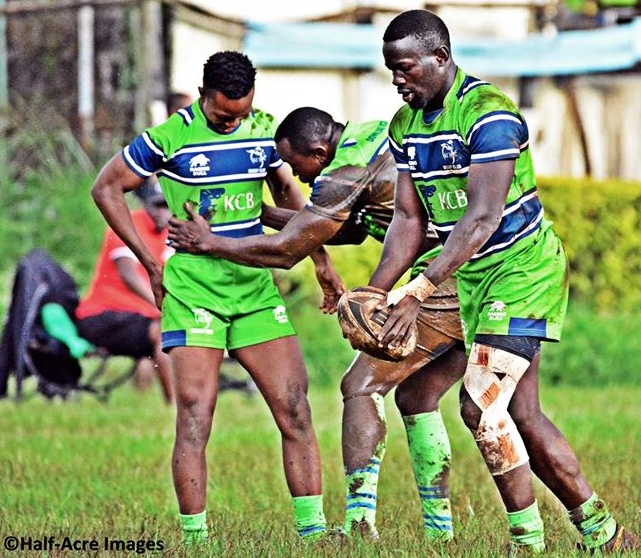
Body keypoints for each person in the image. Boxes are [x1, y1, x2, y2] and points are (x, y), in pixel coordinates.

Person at [367, 9, 635, 553]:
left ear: (440, 58)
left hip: (522, 269)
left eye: (407, 67)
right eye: (391, 69)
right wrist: (376, 291)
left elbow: (482, 217)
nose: (398, 79)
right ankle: (604, 535)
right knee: (522, 415)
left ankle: (527, 542)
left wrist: (417, 292)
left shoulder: (489, 115)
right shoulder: (403, 127)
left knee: (480, 404)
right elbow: (409, 221)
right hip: (472, 274)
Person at [167, 106, 466, 543]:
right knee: (423, 396)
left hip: (451, 274)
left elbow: (288, 251)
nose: (296, 176)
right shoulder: (369, 136)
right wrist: (261, 212)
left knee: (360, 386)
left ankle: (360, 527)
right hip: (483, 265)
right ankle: (446, 535)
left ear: (319, 151)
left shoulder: (341, 173)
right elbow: (344, 229)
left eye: (295, 165)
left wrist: (210, 242)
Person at [90, 51, 337, 545]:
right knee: (196, 415)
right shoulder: (169, 137)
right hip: (195, 290)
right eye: (225, 115)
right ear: (205, 96)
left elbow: (290, 200)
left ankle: (314, 535)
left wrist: (322, 261)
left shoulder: (265, 131)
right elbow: (107, 188)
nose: (235, 123)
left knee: (295, 408)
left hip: (253, 285)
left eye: (242, 113)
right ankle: (196, 540)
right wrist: (151, 262)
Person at [76, 182, 174, 403]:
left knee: (172, 328)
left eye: (168, 206)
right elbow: (128, 275)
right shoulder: (127, 225)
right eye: (158, 205)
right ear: (145, 203)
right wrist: (165, 305)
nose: (164, 212)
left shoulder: (169, 234)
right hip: (102, 316)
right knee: (163, 331)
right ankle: (175, 406)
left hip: (140, 318)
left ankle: (177, 400)